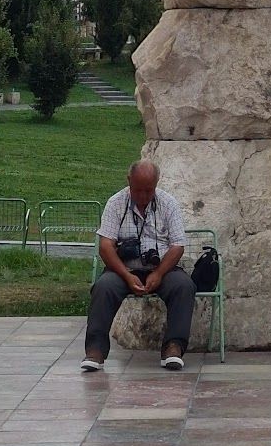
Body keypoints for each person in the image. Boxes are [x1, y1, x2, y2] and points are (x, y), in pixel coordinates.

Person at [82, 159, 195, 372]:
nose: (143, 196)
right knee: (104, 287)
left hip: (160, 268)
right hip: (123, 268)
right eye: (137, 190)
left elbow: (178, 245)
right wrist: (126, 275)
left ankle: (174, 347)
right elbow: (105, 246)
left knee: (183, 286)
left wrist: (160, 273)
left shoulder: (168, 203)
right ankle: (95, 351)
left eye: (148, 190)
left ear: (157, 184)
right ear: (128, 182)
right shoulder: (116, 202)